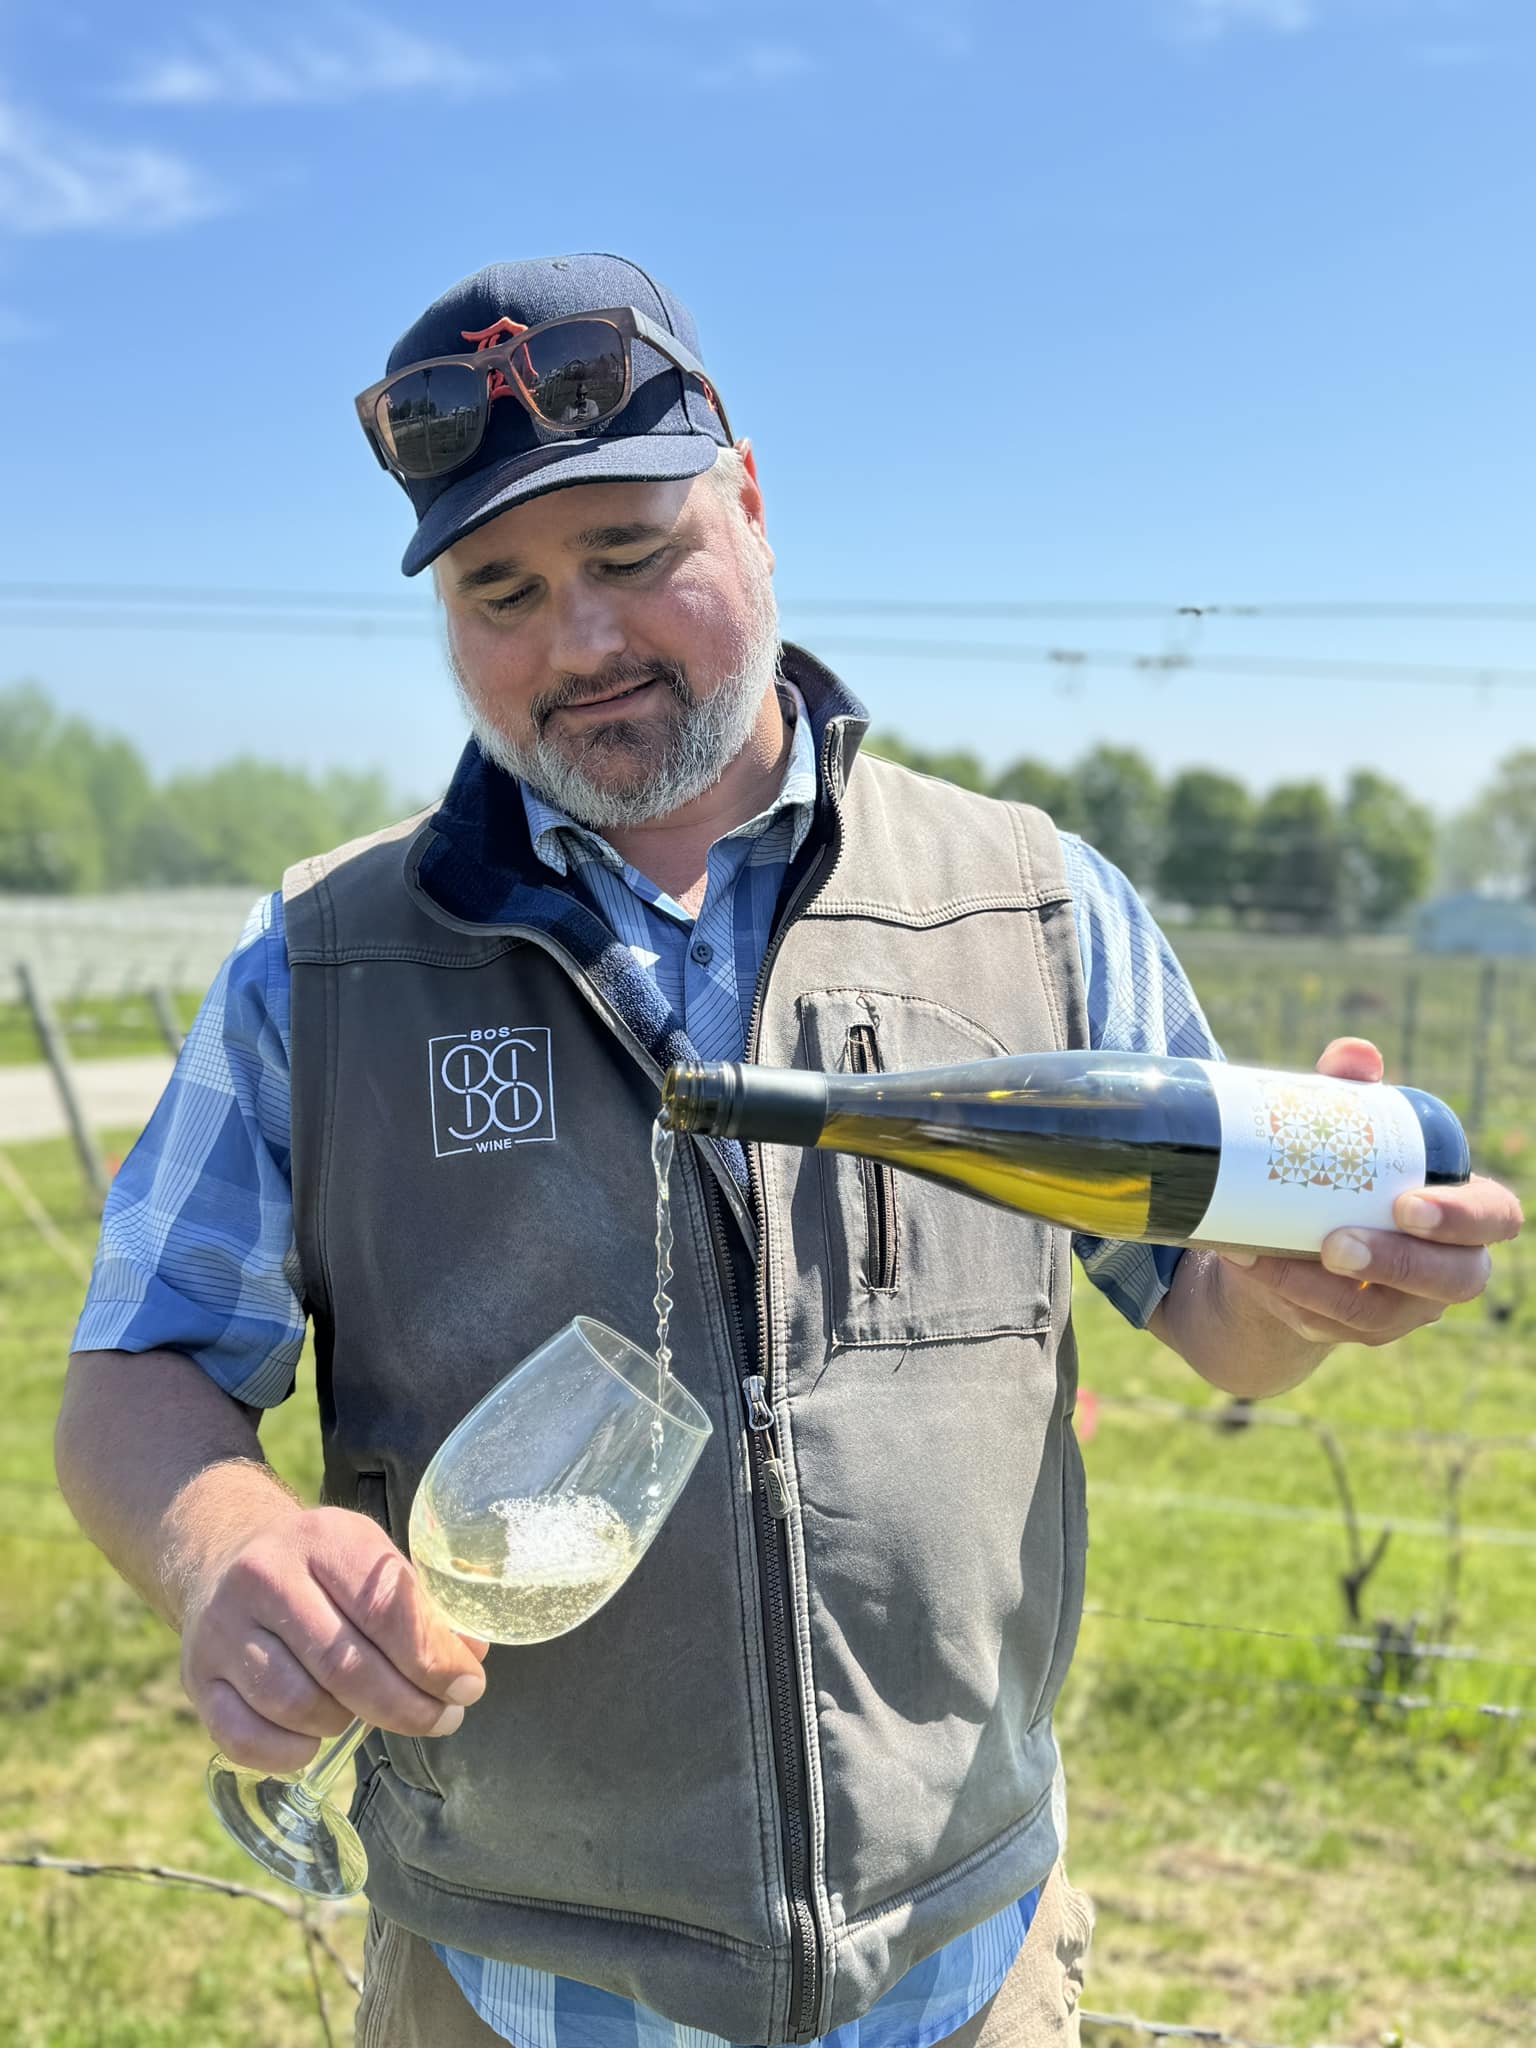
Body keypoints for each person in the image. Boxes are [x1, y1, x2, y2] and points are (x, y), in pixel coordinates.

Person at [56, 253, 1522, 2048]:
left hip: (962, 1973)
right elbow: (141, 1367)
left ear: (745, 501)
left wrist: (1309, 1295)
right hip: (516, 1992)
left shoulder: (1032, 902)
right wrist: (226, 1550)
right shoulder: (329, 961)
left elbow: (1209, 1302)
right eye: (502, 589)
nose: (578, 642)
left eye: (631, 555)